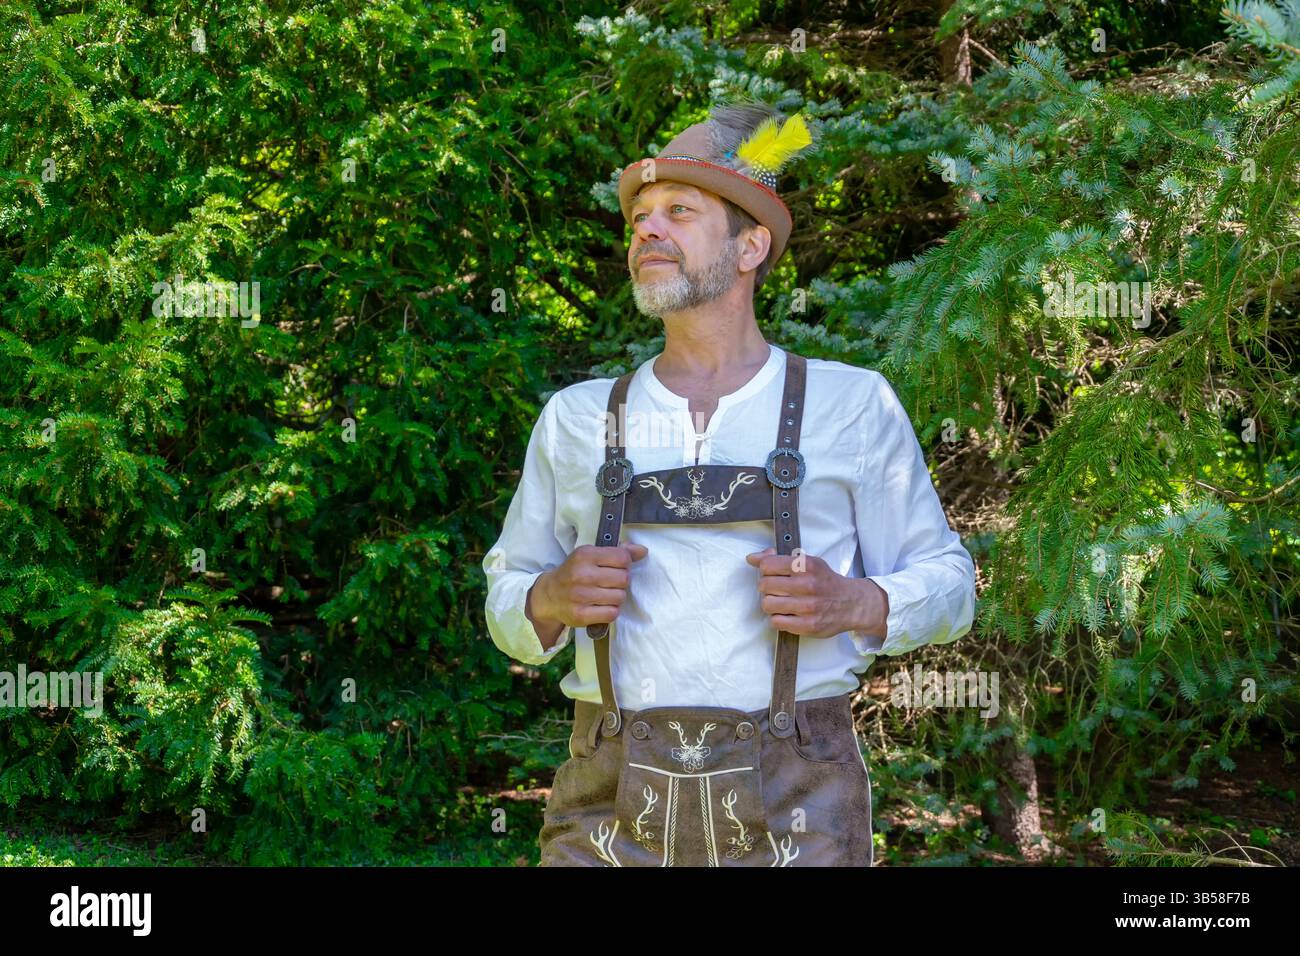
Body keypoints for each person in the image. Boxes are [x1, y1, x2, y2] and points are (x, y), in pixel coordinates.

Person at [483, 100, 977, 867]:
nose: (647, 229)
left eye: (679, 211)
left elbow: (951, 582)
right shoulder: (577, 417)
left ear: (750, 248)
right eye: (640, 216)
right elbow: (507, 589)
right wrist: (546, 597)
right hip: (607, 805)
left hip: (800, 803)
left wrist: (854, 600)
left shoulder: (851, 403)